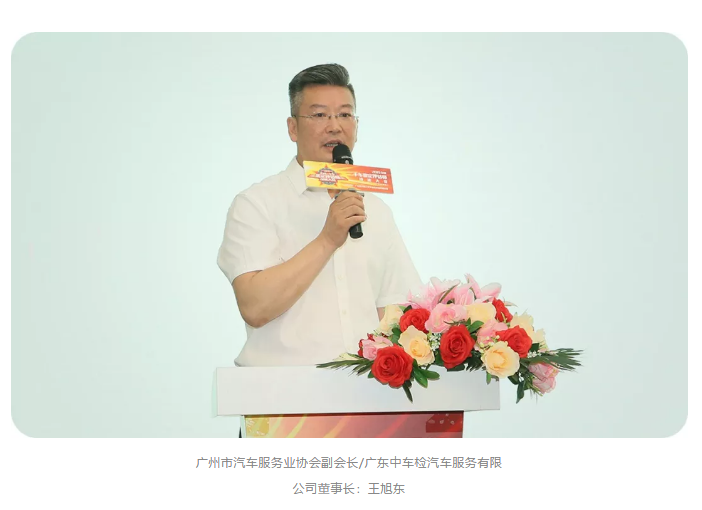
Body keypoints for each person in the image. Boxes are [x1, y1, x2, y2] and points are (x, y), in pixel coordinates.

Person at [217, 63, 422, 366]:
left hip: (365, 388)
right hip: (280, 388)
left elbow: (396, 312)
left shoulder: (376, 210)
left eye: (344, 115)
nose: (334, 126)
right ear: (292, 128)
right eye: (319, 115)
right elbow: (255, 307)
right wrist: (327, 239)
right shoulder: (256, 204)